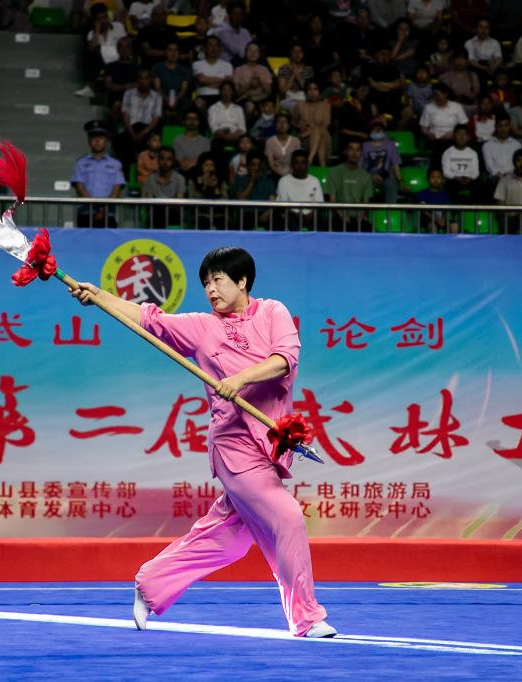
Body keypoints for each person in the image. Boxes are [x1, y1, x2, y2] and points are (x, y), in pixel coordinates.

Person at [71, 247, 334, 637]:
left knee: (229, 540)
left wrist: (240, 379)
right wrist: (99, 296)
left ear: (242, 281)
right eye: (206, 283)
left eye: (218, 280)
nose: (210, 289)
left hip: (268, 447)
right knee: (288, 517)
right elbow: (148, 319)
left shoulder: (272, 312)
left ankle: (151, 582)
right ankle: (307, 617)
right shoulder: (201, 326)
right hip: (233, 447)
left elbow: (285, 359)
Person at [71, 119, 126, 227]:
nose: (97, 141)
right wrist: (95, 208)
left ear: (106, 141)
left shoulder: (115, 164)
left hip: (108, 215)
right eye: (93, 137)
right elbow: (80, 188)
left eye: (101, 138)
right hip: (86, 214)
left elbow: (117, 189)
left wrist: (104, 210)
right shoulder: (80, 163)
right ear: (89, 141)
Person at [327, 141, 373, 231]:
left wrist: (361, 216)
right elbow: (332, 199)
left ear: (361, 153)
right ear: (346, 151)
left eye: (358, 150)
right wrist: (342, 215)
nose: (354, 153)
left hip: (358, 218)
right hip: (339, 216)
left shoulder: (366, 175)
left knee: (368, 228)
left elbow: (366, 202)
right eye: (351, 149)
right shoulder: (334, 172)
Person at [275, 149, 324, 230]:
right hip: (291, 216)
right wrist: (297, 215)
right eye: (296, 163)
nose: (300, 166)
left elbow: (319, 203)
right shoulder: (283, 181)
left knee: (321, 220)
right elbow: (282, 205)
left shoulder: (315, 181)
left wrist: (310, 215)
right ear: (292, 164)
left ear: (307, 164)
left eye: (303, 163)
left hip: (311, 217)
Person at [360, 118, 403, 204]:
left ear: (384, 133)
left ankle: (390, 210)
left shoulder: (390, 145)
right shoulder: (364, 146)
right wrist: (370, 177)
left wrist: (400, 181)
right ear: (370, 133)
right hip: (368, 175)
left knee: (392, 186)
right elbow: (360, 166)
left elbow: (395, 165)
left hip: (385, 174)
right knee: (364, 187)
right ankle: (364, 210)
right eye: (375, 130)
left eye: (379, 130)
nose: (377, 131)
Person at [142, 147, 185, 228]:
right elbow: (149, 202)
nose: (165, 162)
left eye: (169, 159)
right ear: (158, 160)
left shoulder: (180, 179)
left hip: (173, 213)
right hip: (156, 213)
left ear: (173, 161)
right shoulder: (150, 179)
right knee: (156, 213)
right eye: (162, 158)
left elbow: (179, 202)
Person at [293, 81, 330, 167]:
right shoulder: (300, 105)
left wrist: (310, 131)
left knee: (319, 132)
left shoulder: (325, 105)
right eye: (310, 89)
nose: (312, 92)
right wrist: (299, 126)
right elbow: (293, 122)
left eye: (315, 89)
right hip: (305, 139)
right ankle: (322, 165)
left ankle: (309, 159)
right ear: (306, 91)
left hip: (323, 136)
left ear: (319, 91)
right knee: (319, 134)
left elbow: (326, 125)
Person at [441, 124, 482, 203]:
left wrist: (469, 179)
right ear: (454, 136)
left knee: (479, 185)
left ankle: (475, 209)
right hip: (454, 180)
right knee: (450, 185)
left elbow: (476, 172)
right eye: (459, 133)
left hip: (470, 180)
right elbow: (446, 172)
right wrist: (457, 178)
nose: (462, 137)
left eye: (465, 134)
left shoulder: (473, 153)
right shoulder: (448, 153)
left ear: (468, 137)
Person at [174, 110, 212, 179]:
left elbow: (205, 162)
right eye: (189, 119)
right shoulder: (177, 141)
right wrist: (197, 162)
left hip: (201, 174)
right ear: (183, 121)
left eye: (195, 119)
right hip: (183, 174)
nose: (192, 121)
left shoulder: (206, 141)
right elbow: (182, 163)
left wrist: (190, 162)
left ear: (199, 122)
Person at [417, 167, 455, 233]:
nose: (436, 180)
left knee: (454, 226)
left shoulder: (445, 194)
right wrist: (435, 219)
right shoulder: (422, 193)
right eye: (433, 177)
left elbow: (447, 208)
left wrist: (443, 219)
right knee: (432, 226)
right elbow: (424, 210)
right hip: (429, 219)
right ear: (428, 179)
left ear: (442, 179)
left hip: (443, 219)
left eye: (438, 177)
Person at [265, 114, 301, 179]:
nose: (282, 124)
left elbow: (297, 161)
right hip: (276, 173)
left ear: (289, 125)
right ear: (275, 125)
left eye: (285, 122)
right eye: (279, 122)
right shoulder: (270, 141)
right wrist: (281, 174)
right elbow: (271, 164)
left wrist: (289, 174)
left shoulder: (296, 141)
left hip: (293, 173)